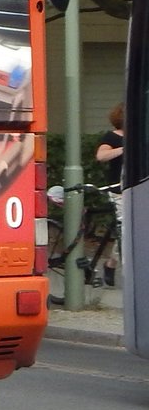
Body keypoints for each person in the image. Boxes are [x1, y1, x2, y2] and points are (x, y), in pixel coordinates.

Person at [95, 102, 125, 286]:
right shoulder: (112, 137)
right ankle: (118, 266)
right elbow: (101, 156)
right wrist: (124, 148)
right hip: (119, 190)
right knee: (125, 230)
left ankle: (111, 263)